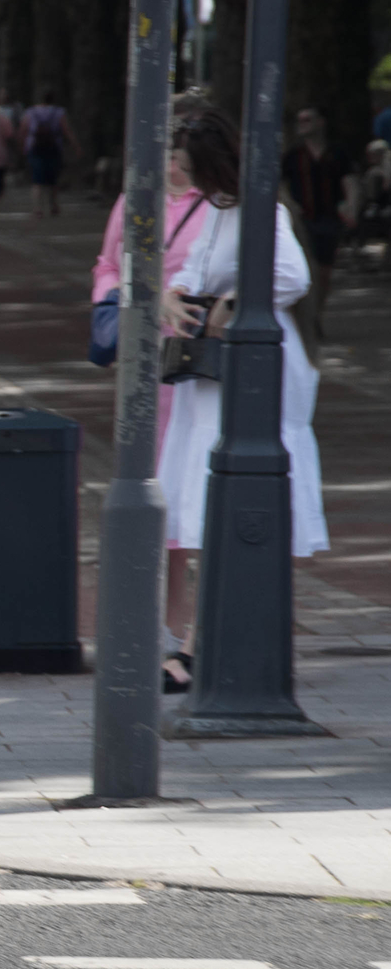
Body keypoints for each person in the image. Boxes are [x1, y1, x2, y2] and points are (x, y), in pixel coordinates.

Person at [153, 109, 329, 691]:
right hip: (216, 376)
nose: (183, 174)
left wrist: (229, 302)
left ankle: (201, 644)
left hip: (251, 376)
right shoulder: (218, 213)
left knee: (234, 496)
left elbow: (292, 276)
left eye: (190, 165)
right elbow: (195, 269)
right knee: (216, 500)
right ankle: (206, 639)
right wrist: (177, 296)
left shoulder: (261, 213)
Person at [281, 105, 354, 341]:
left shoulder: (337, 153)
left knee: (323, 274)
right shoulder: (294, 155)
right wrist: (291, 206)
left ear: (320, 122)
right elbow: (280, 185)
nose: (303, 124)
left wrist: (350, 205)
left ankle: (316, 317)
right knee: (305, 271)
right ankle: (304, 321)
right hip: (302, 222)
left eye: (308, 119)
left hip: (329, 220)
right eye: (300, 120)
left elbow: (350, 182)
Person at [22, 91, 69, 218]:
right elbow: (66, 130)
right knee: (53, 179)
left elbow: (24, 129)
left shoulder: (31, 112)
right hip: (53, 147)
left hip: (35, 147)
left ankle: (38, 207)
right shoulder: (59, 112)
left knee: (37, 179)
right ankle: (53, 205)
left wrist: (23, 146)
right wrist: (76, 146)